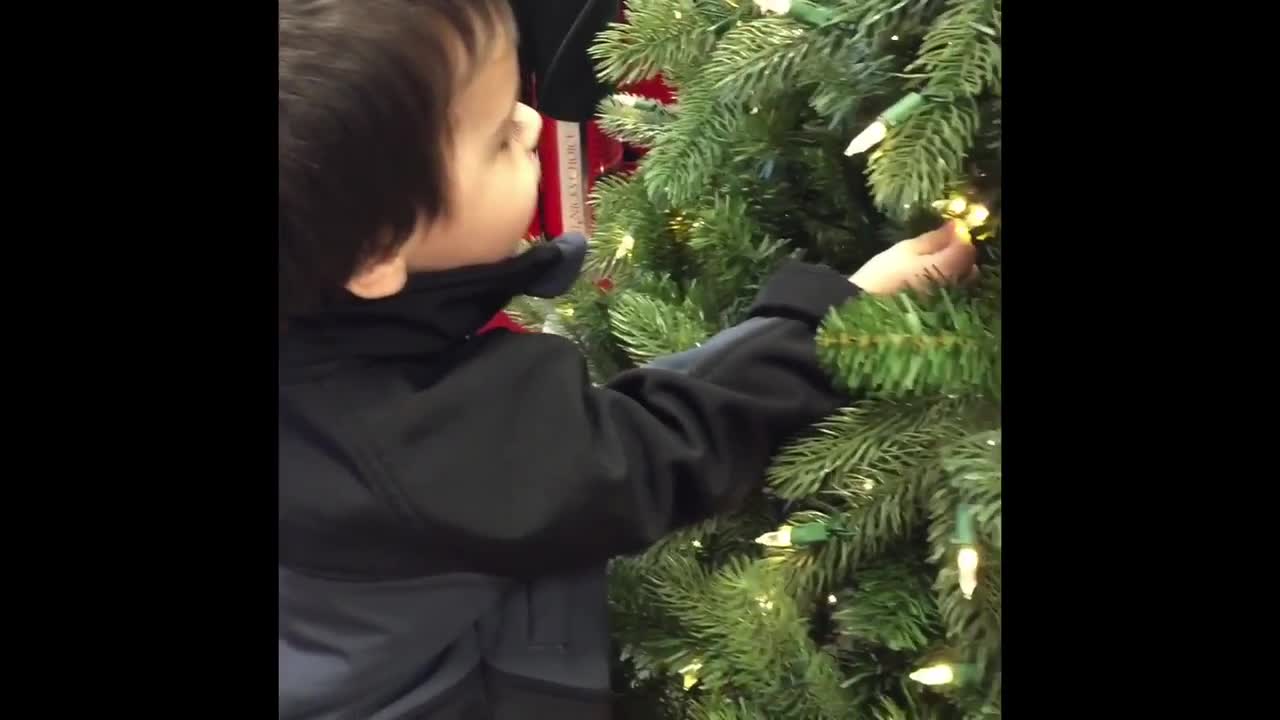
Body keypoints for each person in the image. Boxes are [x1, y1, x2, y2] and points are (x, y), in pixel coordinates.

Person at [278, 1, 979, 718]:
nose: (529, 122)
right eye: (494, 137)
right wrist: (829, 321)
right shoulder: (406, 438)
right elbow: (652, 448)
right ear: (374, 252)